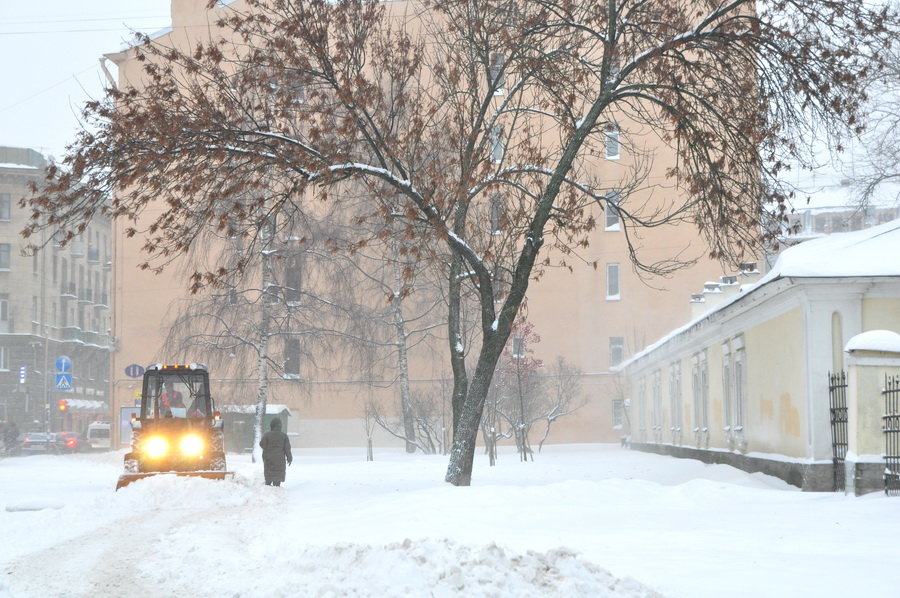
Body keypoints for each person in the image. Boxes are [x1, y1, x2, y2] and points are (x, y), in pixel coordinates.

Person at [259, 418, 292, 487]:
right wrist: (289, 458)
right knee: (277, 479)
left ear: (272, 425)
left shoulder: (267, 435)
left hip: (269, 459)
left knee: (268, 478)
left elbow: (262, 444)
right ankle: (277, 487)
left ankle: (267, 488)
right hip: (280, 460)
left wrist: (268, 449)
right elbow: (287, 449)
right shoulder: (284, 436)